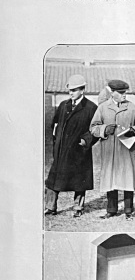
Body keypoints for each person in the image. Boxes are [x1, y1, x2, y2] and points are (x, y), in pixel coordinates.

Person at [90, 79, 135, 219]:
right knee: (111, 179)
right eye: (120, 93)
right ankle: (111, 209)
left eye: (125, 92)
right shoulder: (103, 108)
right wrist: (104, 129)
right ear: (112, 93)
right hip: (110, 150)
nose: (124, 95)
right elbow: (93, 128)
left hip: (127, 149)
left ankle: (128, 209)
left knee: (128, 179)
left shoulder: (132, 108)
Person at [45, 74, 97, 219]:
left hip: (79, 151)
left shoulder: (91, 108)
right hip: (62, 150)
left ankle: (78, 207)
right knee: (53, 179)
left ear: (82, 90)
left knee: (80, 181)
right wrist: (56, 141)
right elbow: (55, 124)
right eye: (69, 90)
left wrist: (86, 141)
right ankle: (50, 207)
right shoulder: (63, 105)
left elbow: (96, 129)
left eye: (74, 90)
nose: (71, 93)